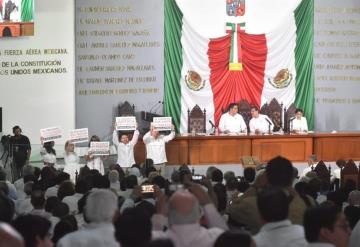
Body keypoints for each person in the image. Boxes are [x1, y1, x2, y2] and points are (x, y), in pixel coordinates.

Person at [152, 184, 228, 247]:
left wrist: (160, 215)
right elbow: (228, 237)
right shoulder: (214, 237)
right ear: (199, 213)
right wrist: (206, 201)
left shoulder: (158, 239)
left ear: (168, 214)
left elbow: (153, 238)